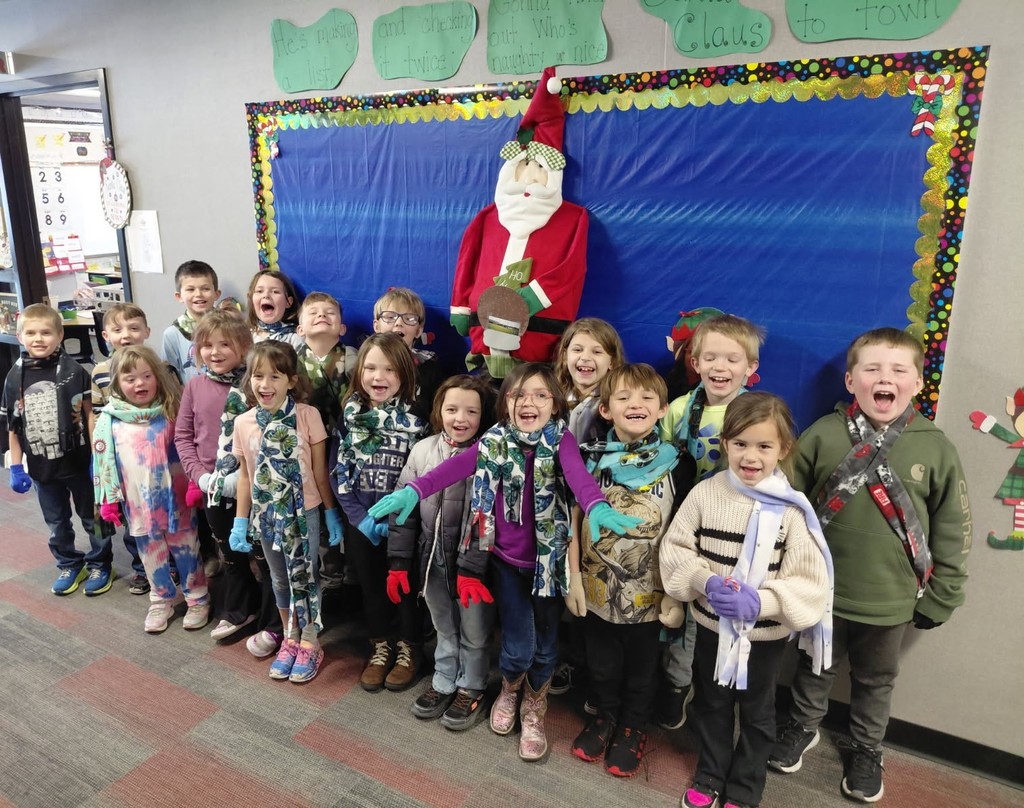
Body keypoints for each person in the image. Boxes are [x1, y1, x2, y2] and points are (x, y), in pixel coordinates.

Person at [369, 362, 641, 762]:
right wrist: (415, 490)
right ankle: (510, 691)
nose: (529, 402)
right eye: (518, 394)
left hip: (549, 564)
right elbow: (453, 468)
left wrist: (596, 504)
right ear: (506, 403)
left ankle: (534, 704)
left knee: (546, 646)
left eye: (540, 395)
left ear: (554, 404)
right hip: (506, 563)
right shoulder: (493, 441)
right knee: (518, 645)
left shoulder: (562, 440)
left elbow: (578, 477)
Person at [768, 328, 971, 804]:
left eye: (899, 370)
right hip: (822, 589)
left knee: (877, 680)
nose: (885, 378)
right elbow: (785, 504)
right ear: (850, 380)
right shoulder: (824, 433)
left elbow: (953, 526)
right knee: (814, 663)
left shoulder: (935, 447)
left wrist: (944, 594)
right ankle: (802, 725)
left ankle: (866, 748)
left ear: (917, 382)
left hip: (891, 598)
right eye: (872, 368)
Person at [662, 392, 832, 808]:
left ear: (783, 449)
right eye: (739, 443)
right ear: (725, 443)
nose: (750, 456)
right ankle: (710, 774)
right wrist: (705, 581)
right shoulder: (706, 494)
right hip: (710, 626)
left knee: (757, 713)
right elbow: (675, 549)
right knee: (712, 703)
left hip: (764, 637)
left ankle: (744, 787)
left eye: (764, 446)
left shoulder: (792, 511)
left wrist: (762, 604)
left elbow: (811, 581)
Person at [567, 363, 695, 777]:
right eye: (623, 397)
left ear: (663, 409)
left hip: (651, 592)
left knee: (642, 667)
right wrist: (572, 579)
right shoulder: (588, 459)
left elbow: (684, 533)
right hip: (596, 588)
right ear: (606, 410)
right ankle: (605, 716)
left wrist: (675, 593)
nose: (635, 404)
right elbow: (572, 519)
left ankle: (633, 726)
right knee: (601, 661)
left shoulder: (679, 464)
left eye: (646, 398)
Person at [450, 67, 589, 379]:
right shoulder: (489, 216)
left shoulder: (572, 218)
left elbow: (572, 268)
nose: (530, 176)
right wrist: (459, 306)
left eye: (539, 169)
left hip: (540, 336)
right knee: (486, 388)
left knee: (532, 388)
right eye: (524, 166)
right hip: (483, 330)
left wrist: (530, 299)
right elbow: (466, 262)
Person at [230, 341, 342, 683]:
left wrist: (330, 512)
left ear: (291, 380)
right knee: (279, 578)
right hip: (266, 515)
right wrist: (240, 521)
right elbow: (246, 477)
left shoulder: (308, 416)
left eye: (275, 376)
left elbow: (320, 471)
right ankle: (290, 637)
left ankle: (310, 640)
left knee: (306, 577)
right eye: (258, 376)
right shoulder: (243, 422)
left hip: (303, 513)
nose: (265, 384)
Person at [390, 375, 496, 730]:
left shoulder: (489, 457)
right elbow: (402, 510)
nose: (460, 418)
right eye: (452, 409)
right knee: (443, 625)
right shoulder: (422, 450)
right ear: (439, 410)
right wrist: (399, 562)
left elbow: (487, 519)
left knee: (474, 630)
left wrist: (476, 568)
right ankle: (444, 679)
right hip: (432, 560)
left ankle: (471, 685)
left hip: (472, 567)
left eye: (471, 411)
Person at [330, 333, 428, 692]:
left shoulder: (419, 419)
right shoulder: (349, 416)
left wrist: (400, 519)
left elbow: (424, 474)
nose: (378, 376)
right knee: (371, 585)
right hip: (362, 521)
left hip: (405, 523)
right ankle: (381, 645)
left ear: (404, 374)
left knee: (405, 586)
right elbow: (338, 472)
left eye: (389, 369)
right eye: (370, 367)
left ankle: (409, 647)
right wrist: (360, 518)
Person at [93, 346, 210, 633]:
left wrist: (195, 483)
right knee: (151, 553)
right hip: (138, 503)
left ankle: (197, 598)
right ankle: (160, 599)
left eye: (146, 376)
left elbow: (190, 449)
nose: (140, 383)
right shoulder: (109, 420)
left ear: (157, 376)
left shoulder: (172, 411)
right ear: (117, 383)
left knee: (187, 550)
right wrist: (107, 500)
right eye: (130, 378)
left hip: (177, 500)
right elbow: (101, 460)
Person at [2, 303, 113, 596]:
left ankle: (101, 563)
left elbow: (90, 415)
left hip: (79, 462)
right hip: (42, 467)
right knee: (56, 521)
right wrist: (16, 466)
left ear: (60, 335)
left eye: (46, 332)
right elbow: (14, 426)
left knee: (94, 517)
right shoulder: (14, 378)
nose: (38, 339)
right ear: (20, 336)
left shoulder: (75, 372)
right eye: (31, 333)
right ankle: (69, 563)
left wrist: (97, 456)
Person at [175, 310, 261, 641]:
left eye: (225, 344)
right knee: (230, 552)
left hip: (255, 484)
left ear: (244, 345)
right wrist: (200, 476)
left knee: (262, 553)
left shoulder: (255, 385)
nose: (215, 352)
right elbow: (183, 436)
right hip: (214, 486)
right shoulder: (195, 385)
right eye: (207, 345)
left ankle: (273, 615)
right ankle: (241, 607)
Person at [90, 302, 154, 595]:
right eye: (118, 329)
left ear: (146, 332)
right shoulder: (100, 371)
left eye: (134, 328)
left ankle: (169, 563)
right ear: (106, 336)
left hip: (151, 451)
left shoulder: (156, 366)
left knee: (157, 507)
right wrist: (98, 453)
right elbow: (96, 414)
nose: (126, 335)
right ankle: (141, 567)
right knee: (131, 514)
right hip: (118, 455)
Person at [660, 314, 763, 481]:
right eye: (710, 358)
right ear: (696, 364)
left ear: (750, 367)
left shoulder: (757, 415)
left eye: (732, 360)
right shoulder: (677, 409)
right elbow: (660, 462)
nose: (719, 367)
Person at [372, 287, 444, 415]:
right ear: (376, 326)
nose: (399, 323)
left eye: (409, 319)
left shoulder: (430, 369)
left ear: (418, 331)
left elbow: (437, 415)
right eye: (390, 317)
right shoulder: (366, 363)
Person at [554, 317, 625, 447]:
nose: (585, 357)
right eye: (577, 350)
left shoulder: (619, 403)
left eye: (597, 352)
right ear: (565, 356)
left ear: (612, 361)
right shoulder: (551, 396)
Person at [161, 260, 220, 384]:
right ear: (179, 296)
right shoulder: (172, 334)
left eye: (205, 289)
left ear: (216, 294)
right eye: (190, 289)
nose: (198, 294)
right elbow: (169, 375)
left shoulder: (230, 327)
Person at [246, 268, 304, 350]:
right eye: (259, 291)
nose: (266, 295)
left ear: (288, 302)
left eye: (275, 292)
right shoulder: (246, 336)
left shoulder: (295, 338)